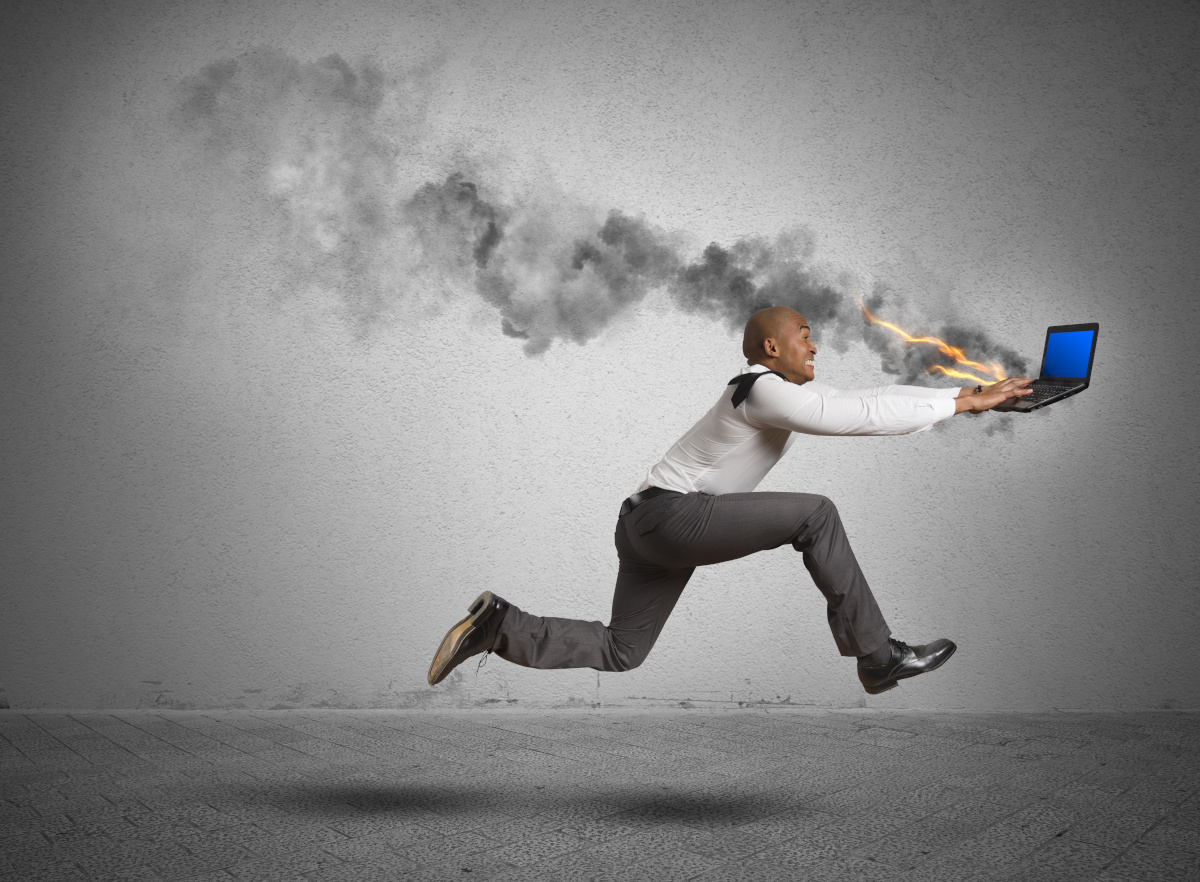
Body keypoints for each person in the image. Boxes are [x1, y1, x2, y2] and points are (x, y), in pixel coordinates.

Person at [427, 306, 1033, 694]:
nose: (814, 346)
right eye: (804, 337)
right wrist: (964, 402)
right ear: (771, 349)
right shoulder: (762, 388)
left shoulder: (767, 393)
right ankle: (878, 656)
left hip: (643, 524)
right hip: (671, 516)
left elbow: (866, 399)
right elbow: (857, 414)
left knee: (623, 650)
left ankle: (497, 626)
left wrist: (970, 393)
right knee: (815, 514)